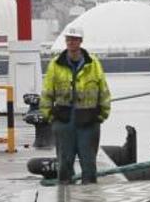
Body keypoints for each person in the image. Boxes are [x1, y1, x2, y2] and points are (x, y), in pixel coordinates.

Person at [39, 27, 111, 184]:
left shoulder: (93, 64)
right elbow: (47, 93)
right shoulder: (55, 65)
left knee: (89, 164)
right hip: (64, 121)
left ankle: (89, 197)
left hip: (89, 121)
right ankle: (65, 196)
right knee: (64, 164)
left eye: (74, 39)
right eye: (68, 39)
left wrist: (101, 115)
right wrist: (50, 116)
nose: (71, 42)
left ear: (80, 41)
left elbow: (103, 91)